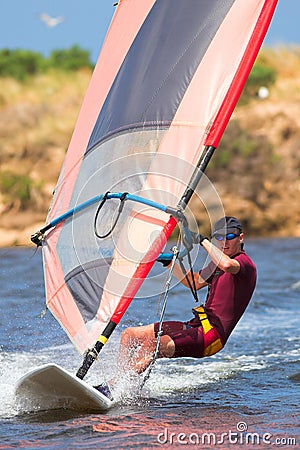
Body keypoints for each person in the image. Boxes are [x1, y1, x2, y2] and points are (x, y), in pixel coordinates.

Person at [95, 216, 257, 400]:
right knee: (129, 335)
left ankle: (112, 388)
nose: (224, 242)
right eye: (219, 238)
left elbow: (227, 264)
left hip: (211, 336)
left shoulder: (244, 264)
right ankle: (120, 387)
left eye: (230, 236)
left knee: (152, 346)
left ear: (241, 238)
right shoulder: (216, 265)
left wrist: (203, 240)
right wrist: (171, 263)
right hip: (197, 325)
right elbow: (195, 283)